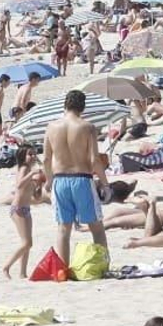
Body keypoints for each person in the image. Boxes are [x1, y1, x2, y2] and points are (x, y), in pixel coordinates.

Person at [44, 89, 107, 268]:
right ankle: (103, 266)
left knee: (64, 229)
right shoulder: (87, 127)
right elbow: (95, 160)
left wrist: (49, 180)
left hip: (59, 179)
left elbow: (46, 159)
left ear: (65, 104)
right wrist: (105, 184)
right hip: (82, 178)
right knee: (96, 228)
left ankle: (63, 270)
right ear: (82, 107)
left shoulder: (51, 127)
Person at [1, 145, 43, 279]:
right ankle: (6, 266)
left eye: (34, 154)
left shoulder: (29, 171)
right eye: (30, 154)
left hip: (26, 209)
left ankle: (22, 273)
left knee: (27, 243)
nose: (33, 156)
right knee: (27, 243)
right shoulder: (24, 168)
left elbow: (36, 197)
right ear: (23, 157)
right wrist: (32, 174)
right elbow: (19, 185)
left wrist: (39, 185)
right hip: (18, 209)